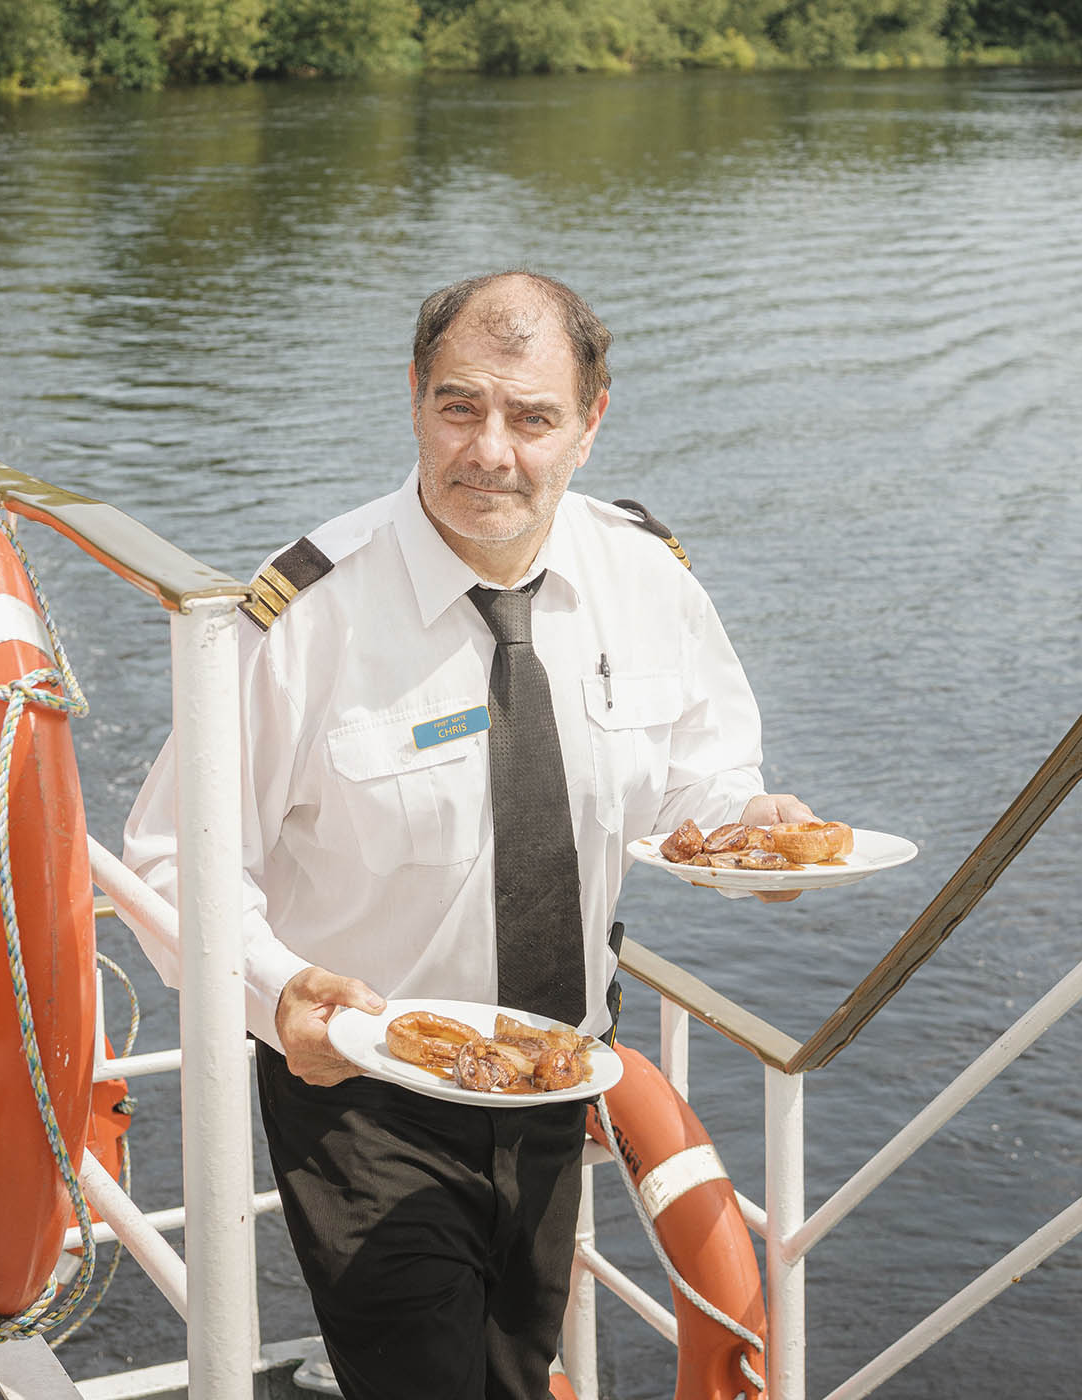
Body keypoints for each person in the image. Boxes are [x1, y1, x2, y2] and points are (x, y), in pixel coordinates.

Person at [122, 270, 811, 1400]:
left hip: (552, 1077)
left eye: (532, 416)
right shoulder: (307, 613)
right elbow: (171, 860)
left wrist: (757, 831)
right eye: (460, 406)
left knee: (508, 1370)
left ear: (592, 424)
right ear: (412, 398)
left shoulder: (646, 576)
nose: (491, 450)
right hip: (368, 1094)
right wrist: (278, 991)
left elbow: (700, 780)